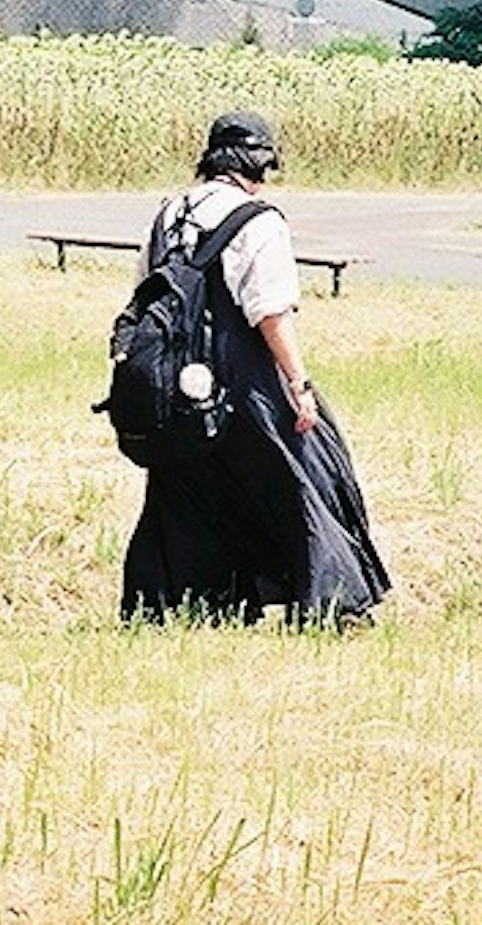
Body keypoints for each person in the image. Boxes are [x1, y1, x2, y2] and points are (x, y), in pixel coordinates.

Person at [119, 110, 391, 625]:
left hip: (173, 379)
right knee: (306, 472)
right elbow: (270, 312)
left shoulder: (168, 212)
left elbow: (143, 290)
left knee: (185, 485)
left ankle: (180, 604)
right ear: (260, 164)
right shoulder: (257, 220)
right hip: (240, 376)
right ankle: (333, 604)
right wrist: (298, 384)